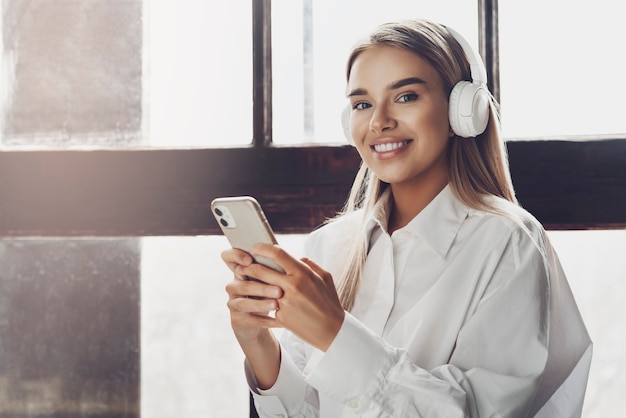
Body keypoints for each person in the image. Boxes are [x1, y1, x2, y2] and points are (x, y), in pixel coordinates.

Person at [221, 19, 592, 417]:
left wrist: (336, 333)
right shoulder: (328, 246)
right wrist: (259, 342)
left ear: (461, 112)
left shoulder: (509, 242)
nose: (378, 121)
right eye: (362, 104)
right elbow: (307, 411)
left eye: (406, 96)